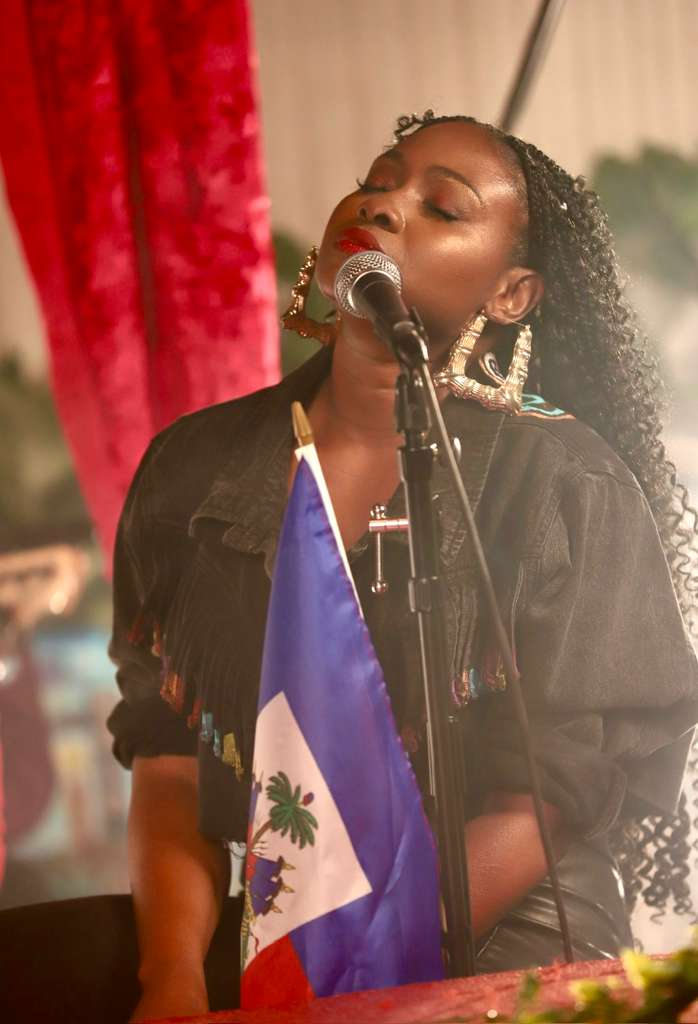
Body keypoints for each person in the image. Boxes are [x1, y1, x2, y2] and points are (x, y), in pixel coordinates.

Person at [105, 112, 698, 1021]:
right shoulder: (196, 469)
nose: (386, 205)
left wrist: (352, 973)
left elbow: (558, 789)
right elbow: (172, 757)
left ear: (511, 294)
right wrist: (174, 982)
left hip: (516, 937)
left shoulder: (563, 485)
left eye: (442, 207)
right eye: (382, 178)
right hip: (274, 943)